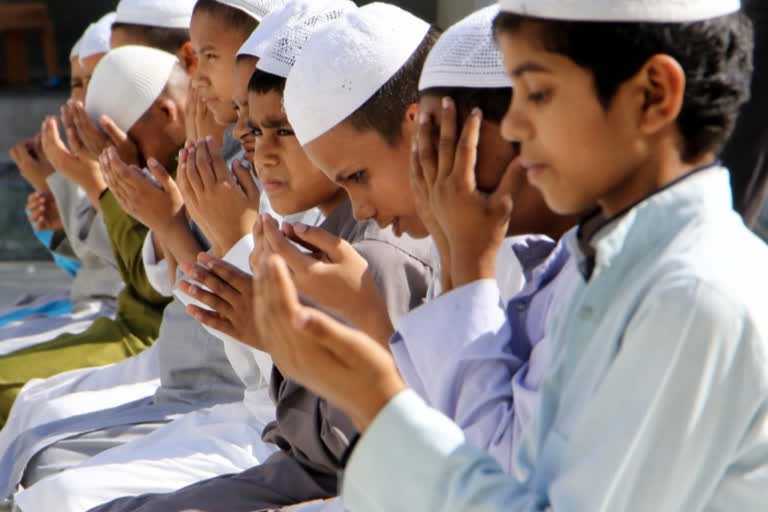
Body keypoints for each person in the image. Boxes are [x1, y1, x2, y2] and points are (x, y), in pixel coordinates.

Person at [246, 1, 768, 511]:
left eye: (536, 93)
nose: (515, 127)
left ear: (654, 95)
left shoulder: (692, 296)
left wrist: (378, 401)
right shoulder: (597, 266)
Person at [2, 13, 122, 349]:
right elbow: (92, 263)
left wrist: (60, 184)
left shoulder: (151, 158)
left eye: (97, 81)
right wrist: (58, 220)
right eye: (77, 84)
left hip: (118, 321)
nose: (81, 99)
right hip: (93, 306)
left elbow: (128, 270)